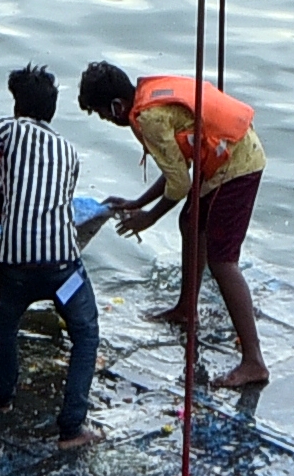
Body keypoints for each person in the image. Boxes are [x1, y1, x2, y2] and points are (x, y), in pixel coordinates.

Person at [77, 61, 269, 388]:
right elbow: (177, 171)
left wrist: (148, 218)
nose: (107, 121)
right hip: (229, 153)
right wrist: (137, 202)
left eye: (102, 114)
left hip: (236, 165)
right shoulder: (147, 98)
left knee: (223, 261)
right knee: (191, 223)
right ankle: (185, 308)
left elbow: (179, 186)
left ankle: (254, 361)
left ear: (116, 106)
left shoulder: (149, 118)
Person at [0, 64, 101, 450]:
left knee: (7, 325)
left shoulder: (11, 130)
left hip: (14, 263)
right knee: (86, 332)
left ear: (18, 106)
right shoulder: (69, 150)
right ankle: (71, 427)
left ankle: (2, 399)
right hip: (62, 265)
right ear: (52, 109)